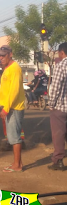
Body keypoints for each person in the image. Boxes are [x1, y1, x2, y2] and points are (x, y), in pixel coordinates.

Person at [0, 45, 25, 172]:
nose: (1, 58)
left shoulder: (15, 68)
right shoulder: (8, 68)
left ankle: (17, 166)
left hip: (13, 108)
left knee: (14, 137)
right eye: (0, 56)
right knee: (12, 136)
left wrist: (6, 108)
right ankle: (17, 163)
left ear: (10, 54)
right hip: (9, 107)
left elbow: (14, 91)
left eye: (3, 55)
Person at [47, 42, 67, 171]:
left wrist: (51, 104)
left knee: (58, 134)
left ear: (61, 52)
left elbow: (55, 87)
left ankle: (58, 160)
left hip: (61, 107)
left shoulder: (61, 65)